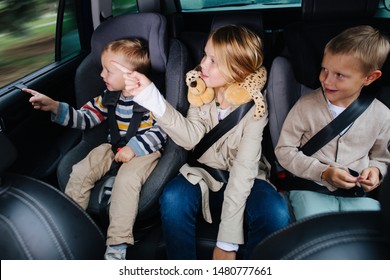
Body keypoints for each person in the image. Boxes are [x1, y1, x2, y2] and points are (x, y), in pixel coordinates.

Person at [112, 25, 291, 260]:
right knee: (173, 198)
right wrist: (150, 96)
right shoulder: (199, 90)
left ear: (237, 70)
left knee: (275, 212)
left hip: (246, 178)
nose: (202, 64)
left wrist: (227, 243)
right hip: (202, 174)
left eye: (213, 61)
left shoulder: (256, 107)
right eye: (205, 55)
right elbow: (190, 138)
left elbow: (243, 170)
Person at [22, 38, 166, 260]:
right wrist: (54, 106)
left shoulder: (151, 99)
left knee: (126, 181)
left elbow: (162, 131)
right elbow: (84, 118)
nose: (101, 75)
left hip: (145, 151)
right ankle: (72, 227)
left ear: (130, 75)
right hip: (113, 146)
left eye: (108, 70)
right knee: (80, 171)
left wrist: (134, 148)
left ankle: (117, 245)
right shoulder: (107, 98)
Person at [275, 25, 390, 221]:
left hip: (357, 194)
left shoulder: (382, 115)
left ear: (370, 77)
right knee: (319, 232)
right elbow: (284, 150)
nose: (326, 80)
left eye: (339, 75)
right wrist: (323, 172)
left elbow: (381, 157)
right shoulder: (306, 106)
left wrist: (376, 171)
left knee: (371, 238)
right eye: (324, 69)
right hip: (310, 188)